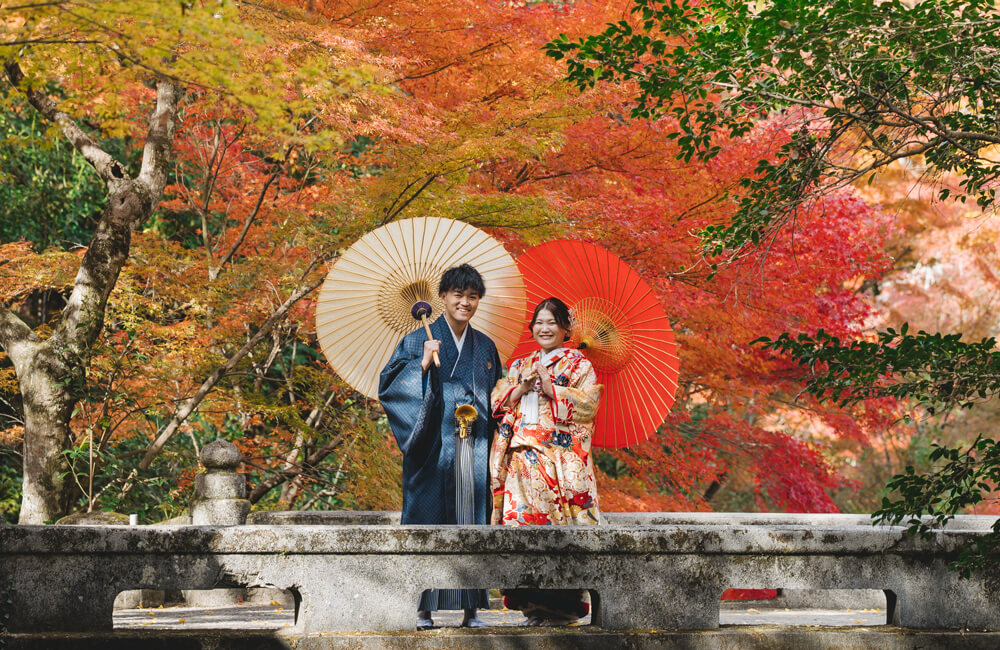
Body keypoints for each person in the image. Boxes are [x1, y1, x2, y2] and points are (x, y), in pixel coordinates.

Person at [378, 263, 502, 630]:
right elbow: (389, 386)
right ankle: (422, 608)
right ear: (443, 298)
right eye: (458, 295)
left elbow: (498, 393)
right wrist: (421, 363)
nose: (465, 302)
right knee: (425, 521)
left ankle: (470, 609)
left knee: (471, 520)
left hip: (472, 447)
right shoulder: (417, 340)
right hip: (432, 447)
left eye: (473, 296)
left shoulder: (486, 346)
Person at [489, 297, 602, 625]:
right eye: (538, 322)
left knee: (556, 534)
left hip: (557, 464)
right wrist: (521, 388)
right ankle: (531, 607)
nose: (544, 328)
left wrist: (553, 388)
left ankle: (561, 609)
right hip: (520, 460)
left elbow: (588, 407)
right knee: (520, 532)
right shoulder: (519, 365)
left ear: (565, 328)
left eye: (552, 322)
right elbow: (498, 404)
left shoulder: (579, 365)